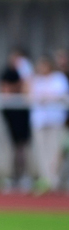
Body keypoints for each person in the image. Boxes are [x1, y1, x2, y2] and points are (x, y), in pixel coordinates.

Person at [29, 55, 69, 193]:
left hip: (55, 120)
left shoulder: (59, 78)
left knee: (54, 151)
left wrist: (46, 97)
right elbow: (30, 95)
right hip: (39, 121)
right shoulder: (37, 80)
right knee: (42, 152)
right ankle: (45, 179)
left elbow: (59, 95)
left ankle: (54, 180)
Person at [0, 50, 33, 193]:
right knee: (15, 147)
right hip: (12, 117)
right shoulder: (6, 73)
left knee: (22, 147)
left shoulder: (26, 72)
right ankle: (14, 177)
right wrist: (20, 84)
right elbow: (5, 91)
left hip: (24, 116)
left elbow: (27, 90)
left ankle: (23, 176)